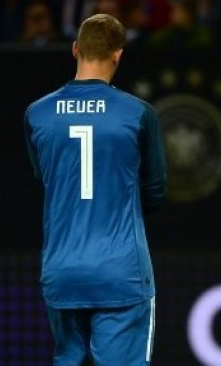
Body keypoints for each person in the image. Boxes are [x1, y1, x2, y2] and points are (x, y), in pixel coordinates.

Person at [23, 14, 166, 365]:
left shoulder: (37, 114)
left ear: (75, 49)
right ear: (118, 54)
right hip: (121, 271)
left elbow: (46, 178)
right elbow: (156, 190)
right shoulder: (137, 113)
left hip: (63, 268)